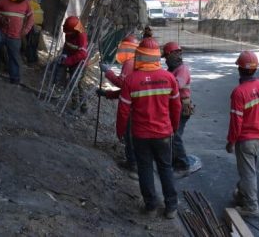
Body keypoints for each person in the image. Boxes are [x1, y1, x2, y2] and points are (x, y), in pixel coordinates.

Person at [115, 38, 181, 219]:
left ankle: (151, 206)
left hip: (141, 135)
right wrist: (173, 127)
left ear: (139, 56)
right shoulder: (169, 78)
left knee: (145, 168)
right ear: (157, 57)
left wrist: (120, 131)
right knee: (165, 168)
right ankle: (171, 208)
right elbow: (176, 107)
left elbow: (123, 111)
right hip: (164, 134)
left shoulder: (131, 81)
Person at [227, 51, 259, 217]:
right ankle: (241, 195)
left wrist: (231, 141)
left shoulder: (239, 92)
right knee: (249, 170)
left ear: (239, 69)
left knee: (248, 173)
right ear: (255, 69)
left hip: (246, 140)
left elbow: (236, 121)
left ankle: (251, 207)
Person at [98, 34, 139, 176]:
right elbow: (125, 90)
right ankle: (135, 161)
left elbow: (123, 85)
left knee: (129, 134)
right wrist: (106, 94)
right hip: (137, 102)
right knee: (134, 135)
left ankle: (133, 164)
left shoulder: (129, 63)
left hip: (132, 106)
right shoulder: (137, 61)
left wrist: (108, 72)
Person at [0, 0, 34, 84]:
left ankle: (15, 79)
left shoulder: (26, 4)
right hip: (0, 32)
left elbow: (31, 18)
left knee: (14, 57)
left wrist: (26, 30)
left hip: (15, 36)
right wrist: (0, 18)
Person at [162, 42, 194, 175]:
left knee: (175, 136)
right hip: (174, 106)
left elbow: (176, 85)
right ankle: (175, 160)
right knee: (171, 135)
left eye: (166, 57)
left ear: (172, 55)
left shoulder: (182, 69)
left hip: (181, 107)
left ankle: (183, 165)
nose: (165, 60)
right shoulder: (171, 69)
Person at [59, 16, 89, 112]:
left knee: (73, 83)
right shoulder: (69, 32)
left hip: (80, 63)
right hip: (72, 60)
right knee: (78, 84)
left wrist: (68, 61)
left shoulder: (81, 36)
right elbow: (67, 45)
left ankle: (75, 104)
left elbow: (82, 54)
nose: (67, 34)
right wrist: (64, 55)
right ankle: (83, 105)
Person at [24, 0, 44, 64]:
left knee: (34, 44)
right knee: (31, 43)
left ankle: (34, 60)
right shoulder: (28, 0)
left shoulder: (34, 1)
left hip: (37, 26)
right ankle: (31, 61)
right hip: (32, 26)